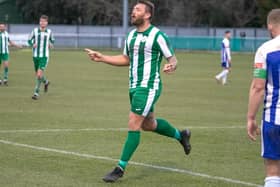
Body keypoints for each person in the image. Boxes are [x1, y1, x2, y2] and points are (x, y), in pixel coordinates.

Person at [85, 0, 191, 183]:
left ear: (147, 14)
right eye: (133, 9)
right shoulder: (131, 36)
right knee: (148, 124)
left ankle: (120, 168)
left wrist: (171, 66)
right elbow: (126, 59)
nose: (133, 12)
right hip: (134, 87)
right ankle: (180, 135)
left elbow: (173, 59)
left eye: (137, 9)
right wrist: (102, 58)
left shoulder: (158, 35)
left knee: (133, 122)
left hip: (148, 86)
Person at [247, 9, 280, 187]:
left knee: (273, 169)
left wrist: (251, 118)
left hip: (274, 117)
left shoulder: (265, 50)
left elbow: (258, 87)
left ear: (270, 26)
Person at [28, 15, 54, 100]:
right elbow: (29, 40)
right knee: (38, 75)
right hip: (35, 56)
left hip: (44, 56)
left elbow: (52, 40)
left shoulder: (49, 32)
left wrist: (51, 44)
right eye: (41, 21)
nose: (42, 23)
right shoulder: (35, 31)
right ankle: (46, 82)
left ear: (47, 23)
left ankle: (36, 93)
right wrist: (32, 44)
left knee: (39, 74)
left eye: (44, 21)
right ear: (39, 22)